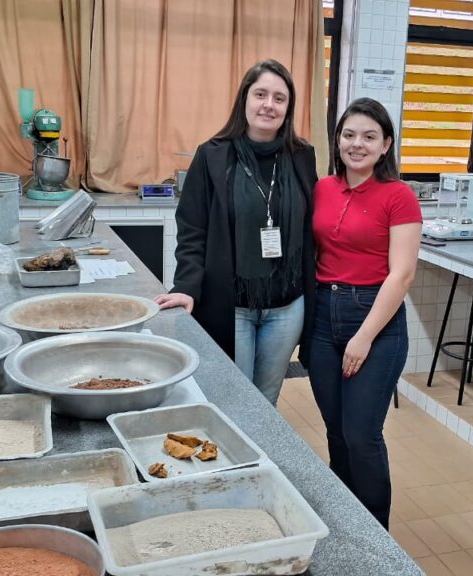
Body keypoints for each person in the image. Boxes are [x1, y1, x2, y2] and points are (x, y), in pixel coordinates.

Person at [154, 60, 318, 406]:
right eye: (260, 94)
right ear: (245, 98)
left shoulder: (302, 157)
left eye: (279, 98)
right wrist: (186, 286)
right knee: (232, 400)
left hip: (287, 307)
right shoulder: (213, 156)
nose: (268, 105)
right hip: (233, 305)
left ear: (288, 108)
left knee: (266, 401)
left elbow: (311, 227)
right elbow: (192, 229)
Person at [309, 97, 421, 529]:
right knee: (337, 433)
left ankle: (377, 540)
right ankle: (345, 525)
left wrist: (363, 337)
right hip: (323, 316)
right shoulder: (323, 188)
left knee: (361, 436)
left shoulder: (399, 196)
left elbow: (402, 275)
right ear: (337, 140)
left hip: (375, 320)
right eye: (349, 134)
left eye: (369, 136)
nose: (357, 144)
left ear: (386, 144)